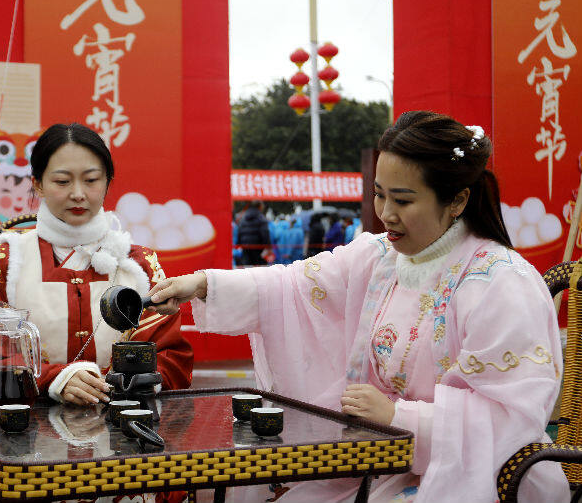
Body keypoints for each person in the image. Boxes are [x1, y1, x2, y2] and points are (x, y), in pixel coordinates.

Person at [146, 111, 569, 502]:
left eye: (403, 201)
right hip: (378, 462)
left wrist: (399, 416)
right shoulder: (381, 258)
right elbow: (294, 285)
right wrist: (203, 284)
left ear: (457, 201)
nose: (384, 213)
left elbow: (511, 419)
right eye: (379, 195)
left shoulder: (499, 282)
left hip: (467, 477)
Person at [0, 123, 192, 408]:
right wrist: (53, 379)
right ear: (37, 184)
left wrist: (127, 385)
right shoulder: (7, 261)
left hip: (123, 426)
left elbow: (172, 358)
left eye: (91, 180)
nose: (78, 194)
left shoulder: (140, 265)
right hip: (30, 430)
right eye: (62, 181)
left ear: (108, 181)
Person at [236, 200, 270, 266]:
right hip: (258, 248)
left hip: (245, 247)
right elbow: (265, 233)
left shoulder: (243, 218)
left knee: (247, 268)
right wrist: (268, 247)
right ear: (260, 207)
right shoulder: (261, 218)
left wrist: (239, 244)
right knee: (259, 270)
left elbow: (239, 232)